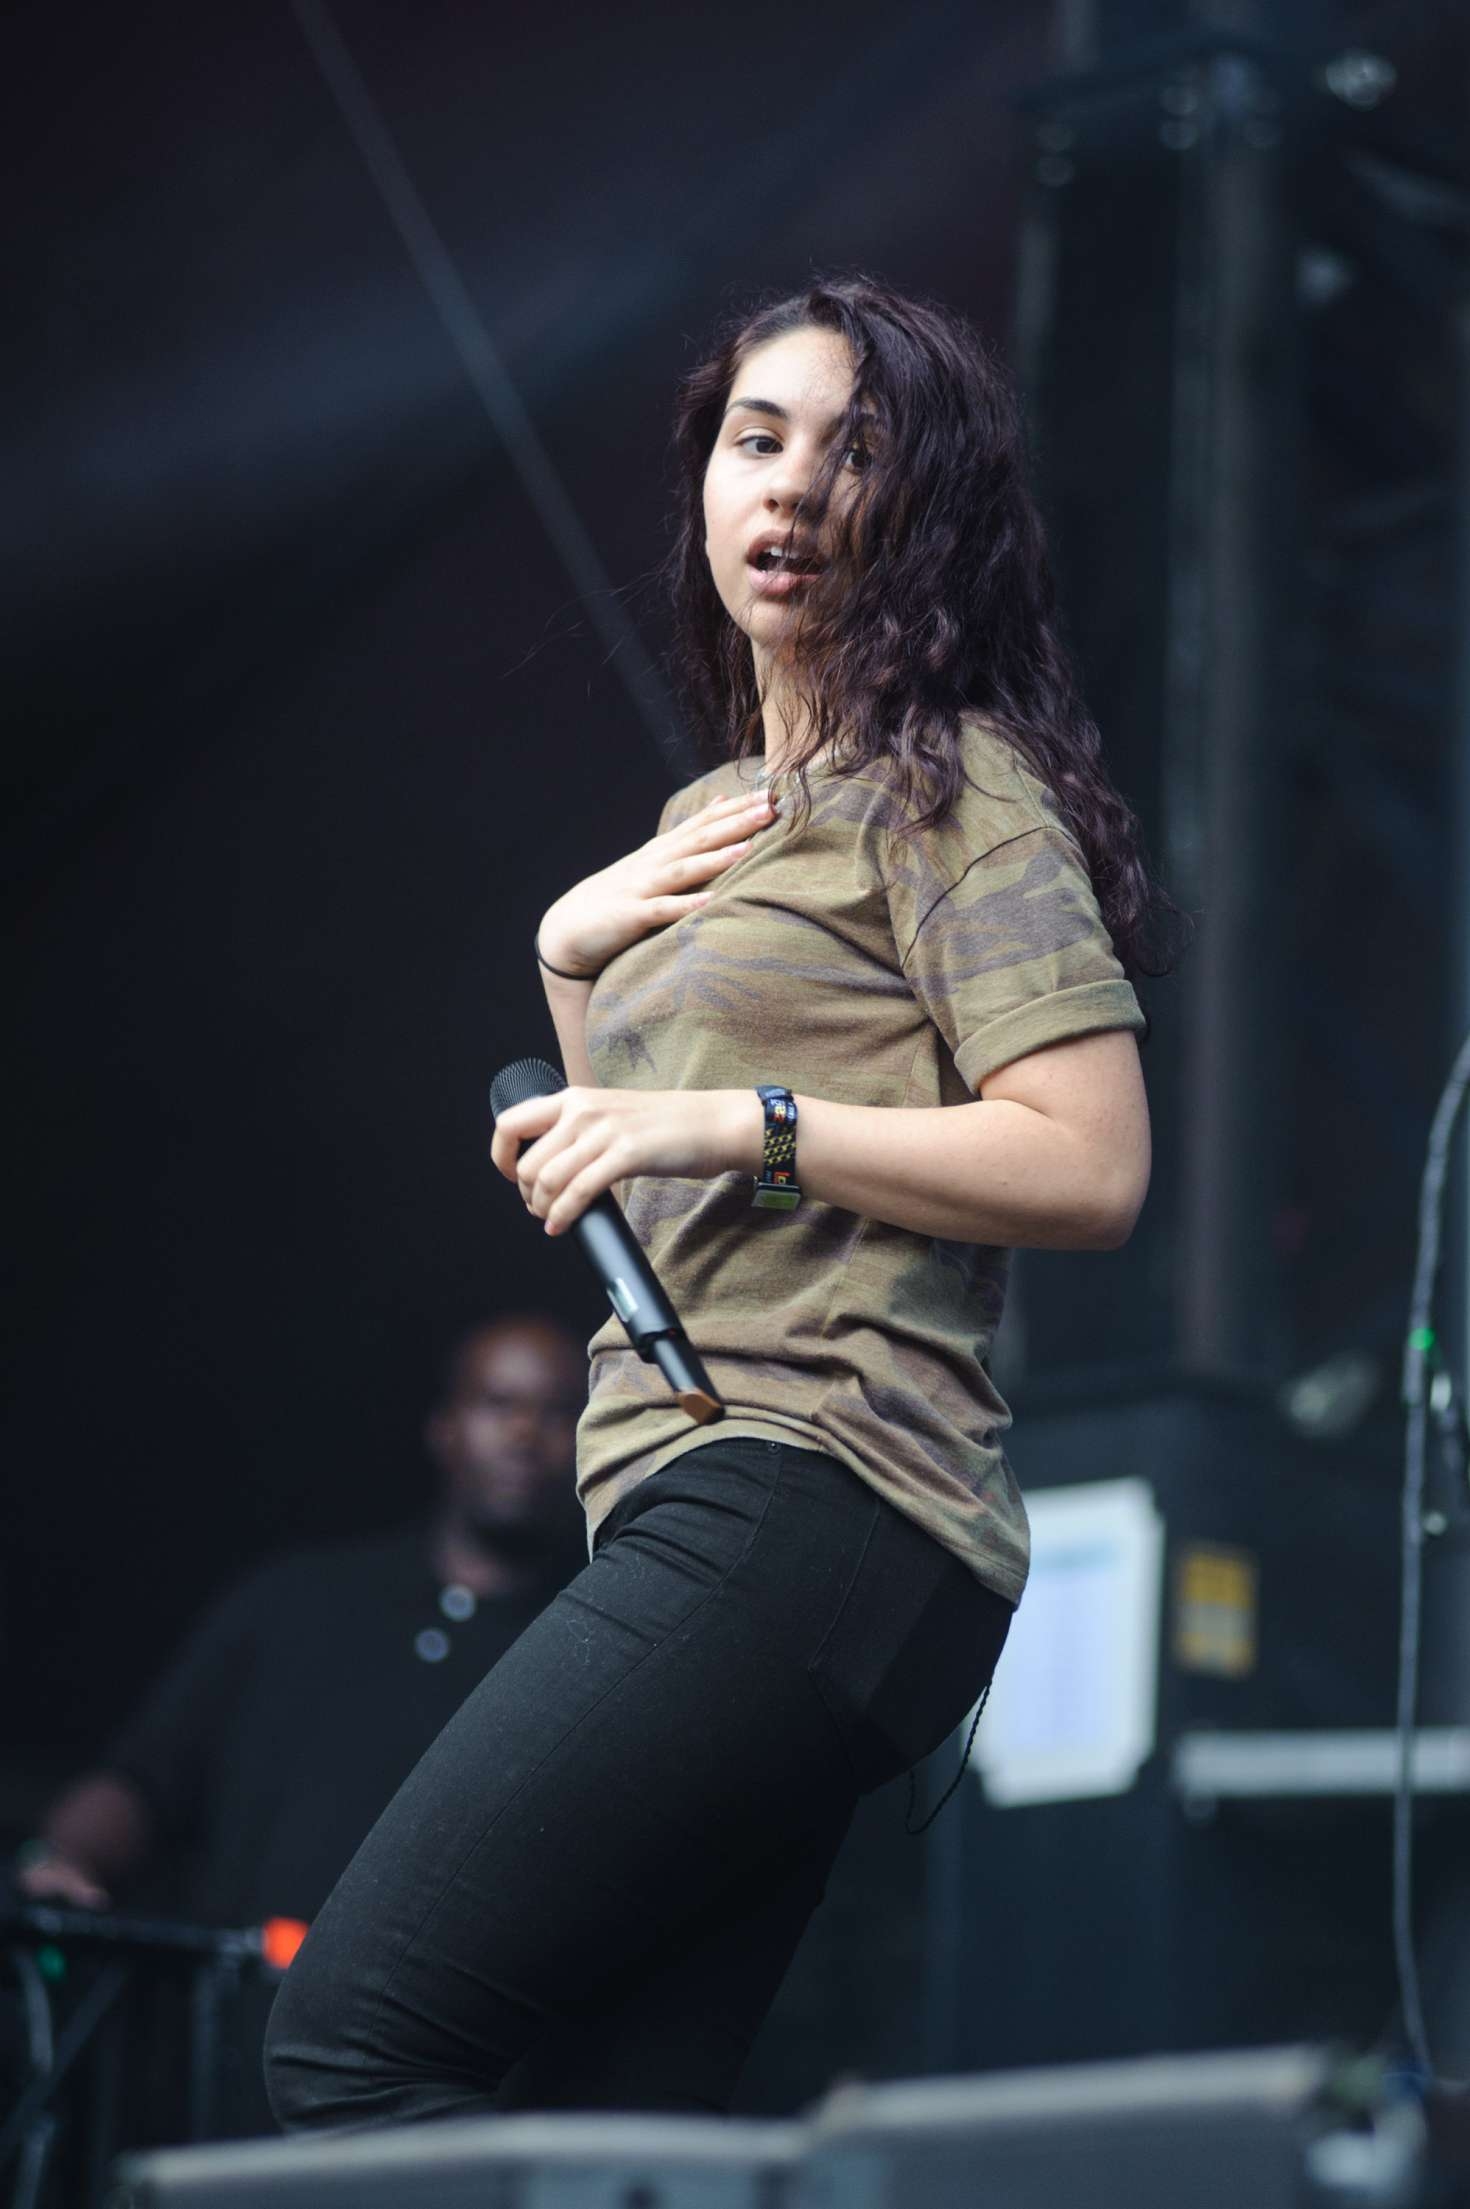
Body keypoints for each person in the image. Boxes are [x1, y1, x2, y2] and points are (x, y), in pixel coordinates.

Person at [264, 276, 1172, 2131]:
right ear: (702, 481)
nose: (797, 488)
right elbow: (634, 1171)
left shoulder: (951, 789)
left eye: (857, 454)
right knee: (619, 2119)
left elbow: (1087, 1159)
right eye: (759, 439)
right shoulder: (731, 815)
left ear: (927, 514)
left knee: (352, 2043)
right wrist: (567, 953)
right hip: (746, 1506)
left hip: (814, 1490)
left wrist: (740, 1121)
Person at [16, 1315, 585, 1929]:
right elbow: (144, 1779)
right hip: (242, 2014)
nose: (526, 1433)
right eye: (499, 1404)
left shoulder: (587, 1648)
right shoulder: (294, 1602)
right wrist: (66, 1858)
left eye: (557, 1412)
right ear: (444, 1429)